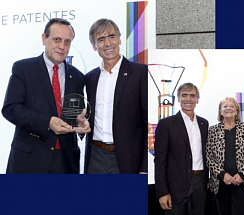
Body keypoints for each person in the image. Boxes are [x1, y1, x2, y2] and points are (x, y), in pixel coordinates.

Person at [2, 18, 90, 174]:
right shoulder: (23, 69)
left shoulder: (77, 76)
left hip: (66, 161)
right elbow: (11, 109)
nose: (62, 47)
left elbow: (75, 113)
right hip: (29, 160)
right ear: (44, 39)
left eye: (67, 41)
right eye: (57, 40)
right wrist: (47, 122)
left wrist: (80, 123)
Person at [84, 18, 148, 174]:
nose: (107, 43)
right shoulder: (90, 78)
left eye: (112, 36)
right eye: (101, 39)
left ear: (120, 40)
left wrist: (145, 167)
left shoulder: (140, 73)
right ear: (94, 46)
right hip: (95, 157)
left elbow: (148, 121)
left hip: (128, 159)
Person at [154, 83, 209, 215]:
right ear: (178, 99)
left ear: (197, 100)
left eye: (192, 96)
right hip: (175, 185)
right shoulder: (166, 124)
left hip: (200, 183)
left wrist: (207, 180)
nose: (188, 99)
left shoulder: (204, 123)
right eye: (184, 95)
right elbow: (160, 160)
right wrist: (163, 192)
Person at [206, 97, 244, 215]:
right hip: (220, 183)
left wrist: (242, 174)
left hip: (242, 183)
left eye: (232, 106)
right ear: (220, 111)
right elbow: (208, 156)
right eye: (225, 106)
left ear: (237, 110)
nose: (228, 108)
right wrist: (223, 175)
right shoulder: (212, 130)